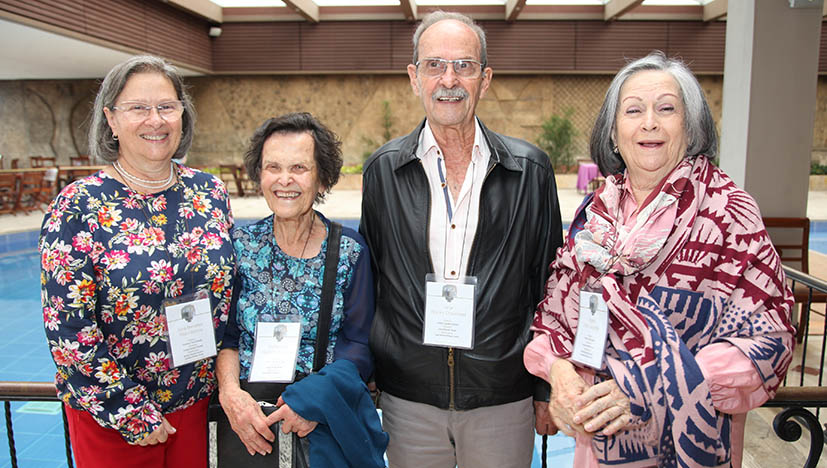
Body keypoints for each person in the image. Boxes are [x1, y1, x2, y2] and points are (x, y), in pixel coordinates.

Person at [524, 51, 795, 467]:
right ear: (614, 133)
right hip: (597, 445)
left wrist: (643, 385)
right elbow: (555, 318)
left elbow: (768, 341)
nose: (649, 122)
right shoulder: (595, 216)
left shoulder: (728, 214)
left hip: (686, 449)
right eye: (633, 110)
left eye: (666, 108)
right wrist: (559, 377)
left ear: (690, 128)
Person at [360, 11, 563, 468]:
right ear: (414, 78)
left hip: (501, 398)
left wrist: (544, 388)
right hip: (409, 401)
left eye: (464, 66)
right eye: (434, 65)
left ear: (485, 79)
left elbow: (551, 287)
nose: (448, 79)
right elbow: (372, 283)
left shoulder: (530, 172)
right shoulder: (383, 171)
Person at [39, 55, 235, 468]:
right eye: (138, 108)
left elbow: (230, 294)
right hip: (116, 419)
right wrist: (130, 412)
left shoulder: (209, 192)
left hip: (198, 404)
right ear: (110, 119)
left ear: (182, 114)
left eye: (166, 106)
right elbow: (68, 329)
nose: (155, 120)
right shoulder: (78, 206)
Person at [216, 112, 386, 468]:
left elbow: (358, 344)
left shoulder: (350, 251)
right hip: (247, 424)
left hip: (318, 424)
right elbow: (226, 336)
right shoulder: (238, 246)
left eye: (299, 168)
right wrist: (231, 395)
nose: (284, 180)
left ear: (322, 179)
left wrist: (312, 402)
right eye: (272, 167)